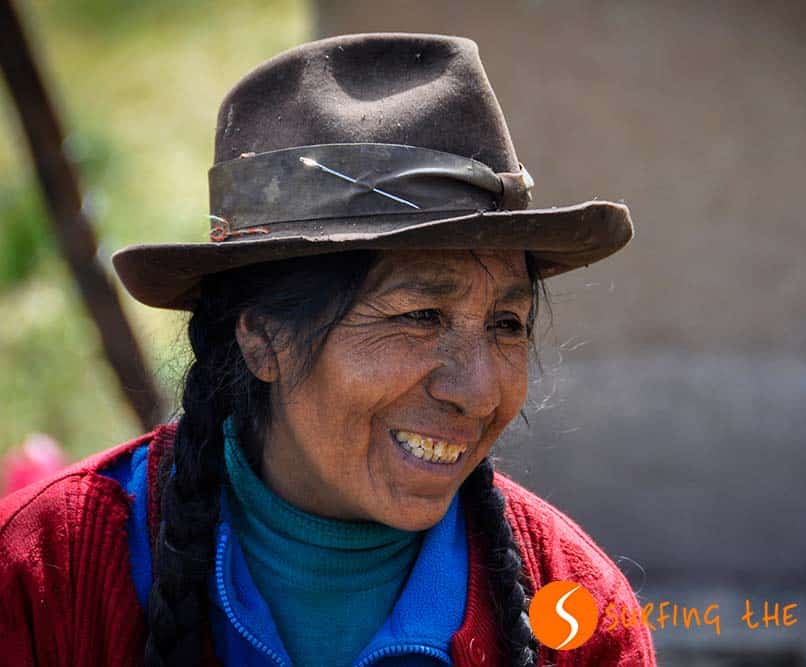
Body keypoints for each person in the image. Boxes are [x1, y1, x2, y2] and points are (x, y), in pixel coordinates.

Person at [0, 33, 656, 666]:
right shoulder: (46, 573)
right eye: (421, 315)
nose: (479, 390)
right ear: (262, 338)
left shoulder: (573, 608)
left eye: (506, 323)